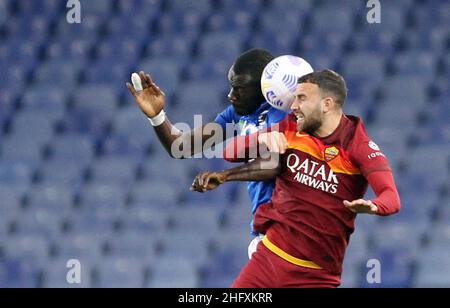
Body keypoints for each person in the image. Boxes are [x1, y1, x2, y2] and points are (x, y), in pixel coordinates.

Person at [191, 69, 401, 288]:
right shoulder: (291, 127)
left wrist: (374, 206)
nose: (293, 106)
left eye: (301, 98)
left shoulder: (358, 145)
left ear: (326, 104)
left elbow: (391, 197)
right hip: (268, 260)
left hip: (317, 276)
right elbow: (230, 153)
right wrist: (263, 137)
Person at [126, 49, 294, 238]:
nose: (231, 95)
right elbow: (180, 147)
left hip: (288, 228)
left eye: (240, 88)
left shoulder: (285, 115)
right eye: (231, 86)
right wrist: (157, 116)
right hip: (267, 229)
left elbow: (275, 163)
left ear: (264, 88)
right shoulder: (237, 114)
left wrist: (225, 175)